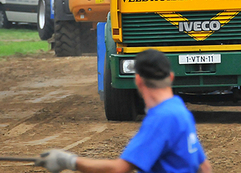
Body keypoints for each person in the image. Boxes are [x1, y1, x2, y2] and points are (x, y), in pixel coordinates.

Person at [36, 49, 212, 173]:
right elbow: (203, 167)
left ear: (138, 81)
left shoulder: (161, 118)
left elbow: (119, 169)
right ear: (171, 77)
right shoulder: (180, 110)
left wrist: (68, 161)